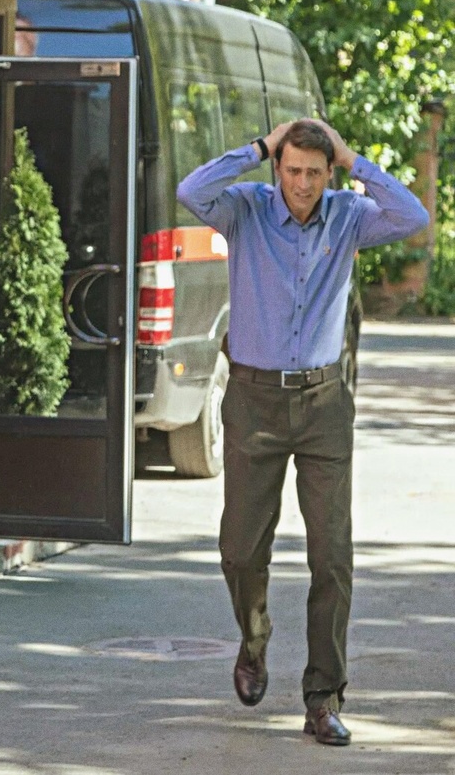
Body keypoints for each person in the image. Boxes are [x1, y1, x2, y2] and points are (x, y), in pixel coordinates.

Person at [177, 118, 428, 746]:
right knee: (240, 550)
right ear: (278, 168)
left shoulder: (349, 216)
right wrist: (260, 145)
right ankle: (254, 638)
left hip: (323, 403)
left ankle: (323, 697)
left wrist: (354, 159)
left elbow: (414, 215)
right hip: (253, 401)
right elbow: (190, 190)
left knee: (333, 558)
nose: (304, 184)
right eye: (293, 170)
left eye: (316, 172)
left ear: (328, 172)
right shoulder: (245, 210)